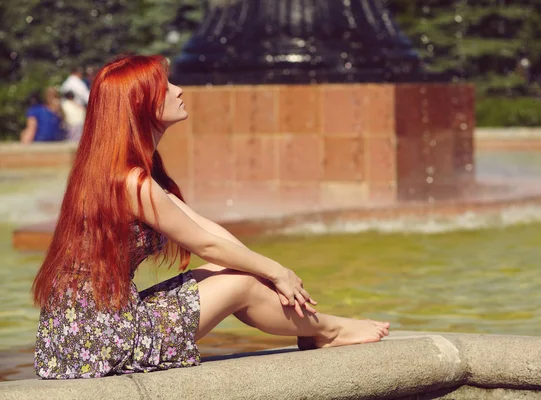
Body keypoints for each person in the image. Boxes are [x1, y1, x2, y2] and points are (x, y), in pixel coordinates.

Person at [31, 55, 389, 380]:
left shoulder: (130, 172)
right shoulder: (130, 181)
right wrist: (275, 272)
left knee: (234, 273)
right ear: (141, 104)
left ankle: (319, 330)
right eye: (165, 86)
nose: (178, 90)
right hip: (99, 338)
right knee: (241, 285)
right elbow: (204, 244)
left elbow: (206, 228)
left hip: (90, 327)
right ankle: (329, 330)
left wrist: (268, 269)